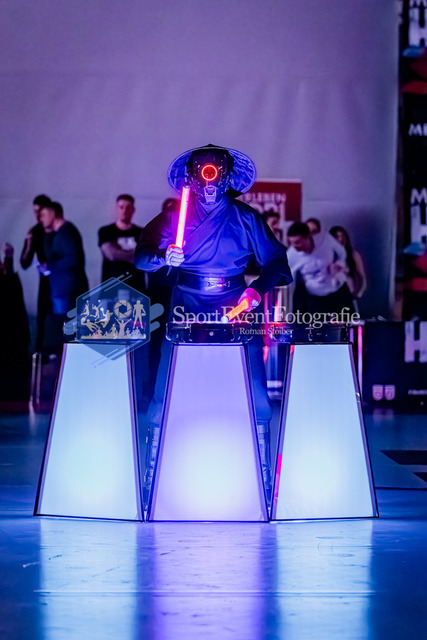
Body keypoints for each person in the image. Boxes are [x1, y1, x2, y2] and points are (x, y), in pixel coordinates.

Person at [135, 143, 292, 503]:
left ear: (227, 176)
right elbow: (141, 256)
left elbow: (278, 262)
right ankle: (153, 477)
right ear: (191, 176)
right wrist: (163, 256)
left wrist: (256, 292)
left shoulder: (245, 217)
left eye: (215, 171)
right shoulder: (175, 216)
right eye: (202, 171)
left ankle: (262, 479)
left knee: (254, 384)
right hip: (186, 303)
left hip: (236, 303)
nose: (209, 180)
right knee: (167, 382)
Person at [38, 201, 88, 352]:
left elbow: (73, 258)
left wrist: (50, 266)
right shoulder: (59, 233)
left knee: (67, 332)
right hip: (62, 291)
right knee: (63, 331)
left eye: (43, 215)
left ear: (53, 214)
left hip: (67, 291)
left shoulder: (66, 232)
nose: (41, 219)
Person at [287, 221, 353, 314]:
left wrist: (339, 264)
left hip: (338, 290)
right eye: (291, 242)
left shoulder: (325, 239)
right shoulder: (291, 255)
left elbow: (342, 252)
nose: (294, 246)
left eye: (297, 242)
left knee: (349, 321)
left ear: (308, 237)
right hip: (316, 299)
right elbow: (290, 281)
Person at [20, 194, 52, 350]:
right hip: (45, 282)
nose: (38, 215)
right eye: (36, 211)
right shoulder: (36, 231)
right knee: (43, 319)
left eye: (41, 211)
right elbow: (24, 262)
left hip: (60, 281)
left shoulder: (58, 229)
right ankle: (41, 352)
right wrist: (29, 242)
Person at [98, 194, 144, 290]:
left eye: (128, 207)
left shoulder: (141, 233)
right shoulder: (106, 231)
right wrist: (135, 257)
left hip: (136, 287)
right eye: (121, 207)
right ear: (116, 209)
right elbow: (111, 254)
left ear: (133, 210)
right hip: (112, 287)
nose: (124, 211)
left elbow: (143, 256)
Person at [329, 226, 367, 301]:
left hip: (349, 295)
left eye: (342, 236)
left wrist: (358, 294)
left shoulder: (353, 255)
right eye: (336, 236)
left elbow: (362, 277)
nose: (340, 239)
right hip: (331, 297)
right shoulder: (327, 256)